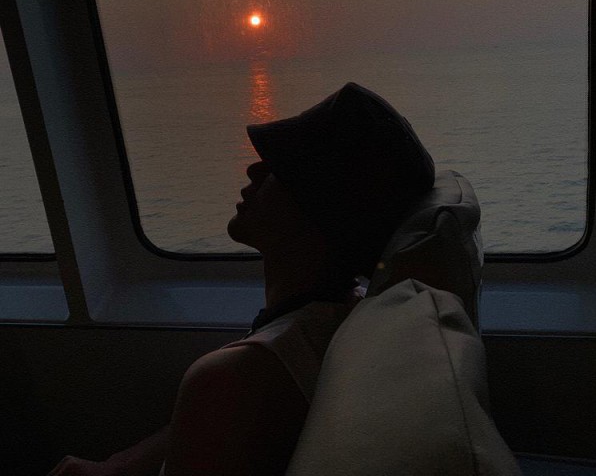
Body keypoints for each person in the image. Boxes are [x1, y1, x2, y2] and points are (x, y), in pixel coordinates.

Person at [47, 82, 487, 476]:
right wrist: (118, 467)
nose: (254, 170)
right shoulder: (337, 316)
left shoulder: (234, 376)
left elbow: (231, 399)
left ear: (325, 212)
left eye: (283, 169)